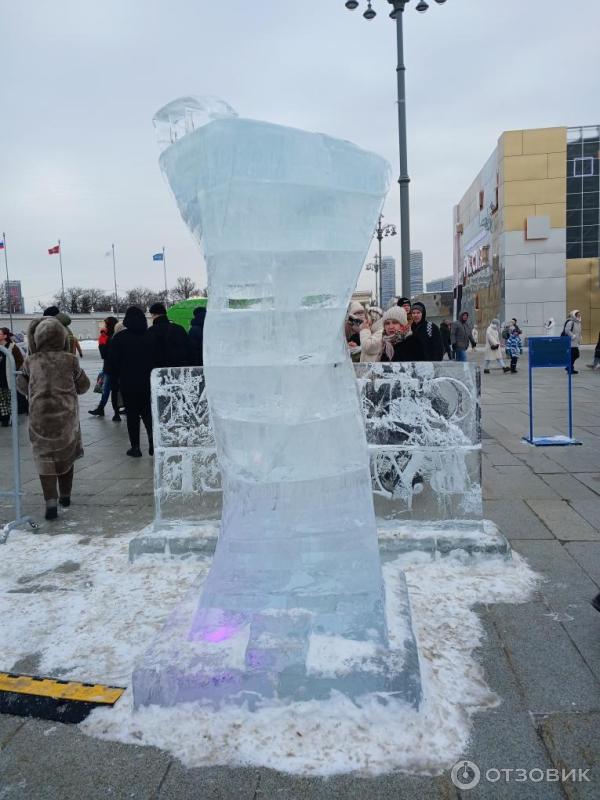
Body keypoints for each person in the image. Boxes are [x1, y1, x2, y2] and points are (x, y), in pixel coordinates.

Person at [16, 317, 90, 520]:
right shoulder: (70, 360)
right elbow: (84, 386)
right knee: (67, 456)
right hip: (66, 418)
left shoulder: (31, 361)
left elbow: (21, 385)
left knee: (44, 459)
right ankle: (65, 495)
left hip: (39, 418)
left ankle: (50, 501)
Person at [105, 306, 153, 457]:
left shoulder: (120, 338)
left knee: (132, 415)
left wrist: (117, 376)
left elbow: (112, 363)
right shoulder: (150, 336)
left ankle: (136, 447)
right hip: (148, 382)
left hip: (128, 382)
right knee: (148, 413)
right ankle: (152, 442)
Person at [88, 316, 121, 420]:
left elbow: (104, 354)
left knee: (108, 390)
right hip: (117, 368)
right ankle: (108, 410)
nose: (104, 326)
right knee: (113, 390)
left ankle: (112, 412)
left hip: (110, 368)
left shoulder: (107, 337)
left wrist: (101, 342)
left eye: (106, 324)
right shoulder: (118, 335)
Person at [146, 302, 191, 368]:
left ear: (153, 314)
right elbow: (189, 349)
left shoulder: (150, 331)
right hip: (179, 369)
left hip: (159, 370)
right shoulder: (179, 328)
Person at [0, 327, 24, 427]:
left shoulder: (12, 347)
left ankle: (12, 419)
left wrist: (13, 371)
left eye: (0, 334)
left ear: (5, 336)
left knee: (10, 400)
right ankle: (4, 419)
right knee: (1, 401)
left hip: (8, 378)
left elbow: (20, 361)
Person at [562, 310, 582, 374]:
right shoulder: (571, 322)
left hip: (575, 342)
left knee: (574, 355)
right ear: (574, 315)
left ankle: (569, 368)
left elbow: (578, 332)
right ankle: (569, 367)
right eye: (577, 314)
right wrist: (572, 336)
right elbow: (567, 331)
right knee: (575, 355)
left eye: (579, 314)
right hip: (570, 342)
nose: (579, 315)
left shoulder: (578, 322)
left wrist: (580, 337)